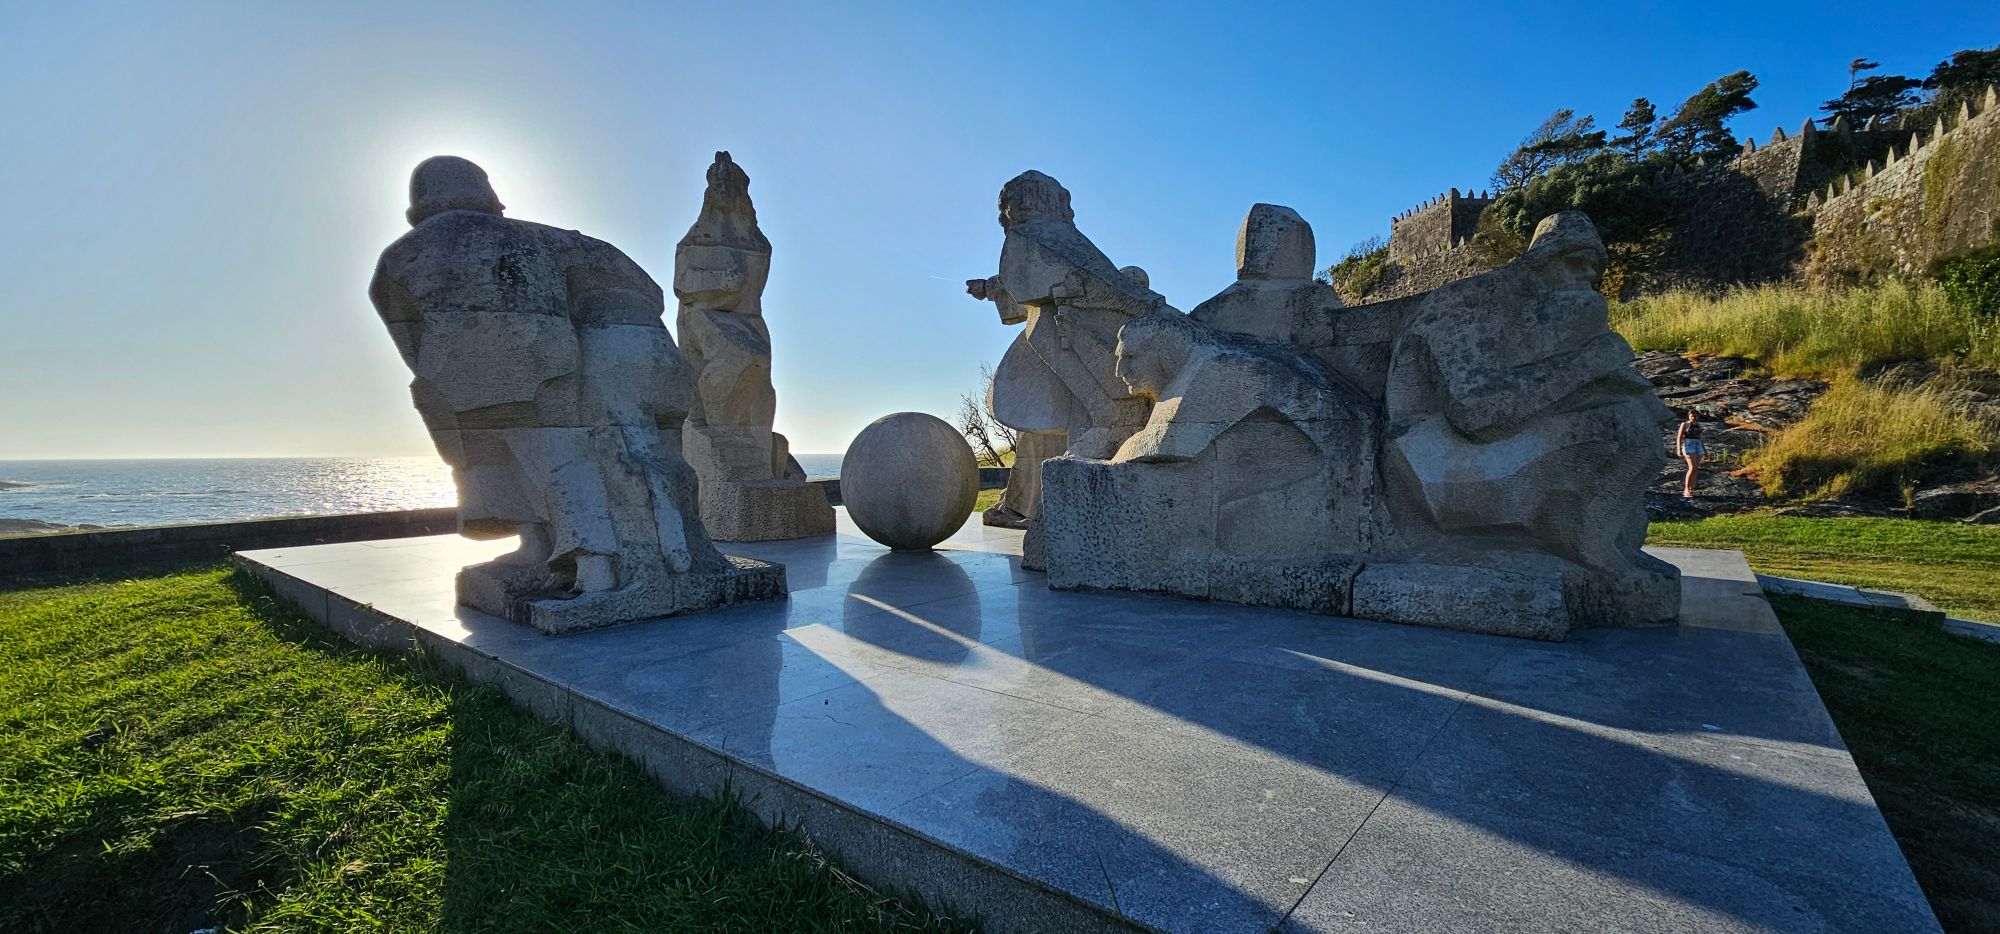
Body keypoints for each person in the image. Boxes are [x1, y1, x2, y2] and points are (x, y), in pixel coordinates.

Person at [1675, 409, 1705, 498]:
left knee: (1695, 469)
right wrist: (1679, 449)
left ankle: (1691, 488)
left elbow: (1700, 438)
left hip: (1698, 445)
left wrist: (1705, 450)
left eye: (1695, 416)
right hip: (1688, 445)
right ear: (1689, 416)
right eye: (1691, 416)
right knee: (1692, 468)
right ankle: (1686, 489)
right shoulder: (1685, 424)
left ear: (1697, 416)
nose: (1693, 418)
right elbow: (1679, 437)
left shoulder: (1698, 425)